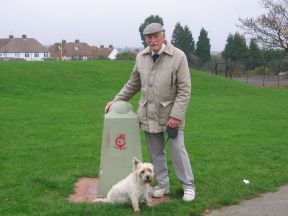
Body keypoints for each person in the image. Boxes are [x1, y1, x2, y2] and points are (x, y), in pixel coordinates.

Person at [105, 23, 195, 202]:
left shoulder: (178, 56)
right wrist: (116, 101)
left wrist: (176, 116)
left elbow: (185, 89)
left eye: (156, 36)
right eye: (149, 37)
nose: (152, 40)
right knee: (156, 153)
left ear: (163, 35)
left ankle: (188, 187)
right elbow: (132, 84)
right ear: (145, 38)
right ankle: (162, 185)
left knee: (178, 151)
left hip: (171, 116)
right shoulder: (141, 57)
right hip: (148, 114)